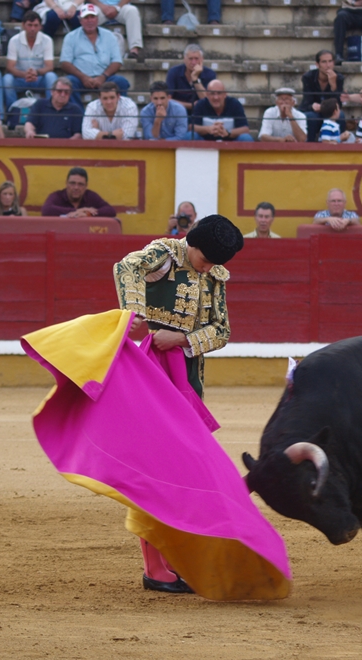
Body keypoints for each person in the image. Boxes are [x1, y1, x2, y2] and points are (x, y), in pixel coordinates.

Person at [112, 214, 243, 594]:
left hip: (188, 380)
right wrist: (134, 315)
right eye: (205, 261)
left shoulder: (215, 276)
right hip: (147, 376)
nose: (208, 269)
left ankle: (168, 559)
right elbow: (127, 266)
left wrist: (182, 341)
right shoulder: (165, 255)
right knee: (156, 470)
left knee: (180, 472)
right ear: (192, 243)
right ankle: (156, 566)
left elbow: (222, 331)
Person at [59, 4, 130, 108]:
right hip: (80, 79)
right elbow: (65, 63)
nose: (90, 21)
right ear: (80, 20)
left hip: (105, 78)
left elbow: (117, 61)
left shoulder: (109, 36)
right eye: (86, 18)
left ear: (97, 19)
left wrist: (103, 77)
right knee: (68, 83)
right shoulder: (70, 37)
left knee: (121, 82)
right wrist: (83, 77)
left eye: (92, 17)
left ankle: (118, 116)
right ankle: (79, 118)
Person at [3, 10, 57, 110]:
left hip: (39, 78)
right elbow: (10, 67)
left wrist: (36, 72)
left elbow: (50, 67)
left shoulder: (47, 40)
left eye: (36, 25)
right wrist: (24, 74)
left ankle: (51, 111)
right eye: (30, 25)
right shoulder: (14, 40)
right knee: (7, 79)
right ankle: (13, 112)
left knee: (51, 77)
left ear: (41, 26)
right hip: (21, 78)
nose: (33, 28)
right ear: (23, 25)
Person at [301, 49, 345, 142]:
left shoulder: (339, 78)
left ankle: (339, 145)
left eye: (330, 61)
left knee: (340, 115)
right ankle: (310, 145)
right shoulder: (308, 77)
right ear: (317, 64)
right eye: (324, 62)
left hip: (330, 111)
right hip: (314, 111)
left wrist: (333, 85)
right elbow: (306, 103)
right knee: (311, 117)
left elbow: (338, 105)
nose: (328, 65)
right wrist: (312, 106)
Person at [41, 167, 117, 218]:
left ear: (86, 186)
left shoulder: (91, 196)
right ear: (66, 183)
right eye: (72, 183)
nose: (76, 187)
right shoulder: (57, 196)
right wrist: (76, 211)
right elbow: (46, 210)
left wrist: (87, 213)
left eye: (80, 184)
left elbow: (111, 211)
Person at [165, 44, 215, 113]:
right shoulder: (173, 72)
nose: (193, 62)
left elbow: (208, 101)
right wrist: (191, 105)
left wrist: (195, 79)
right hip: (178, 112)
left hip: (201, 113)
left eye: (196, 59)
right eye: (190, 59)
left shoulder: (210, 74)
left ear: (202, 59)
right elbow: (167, 99)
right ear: (184, 59)